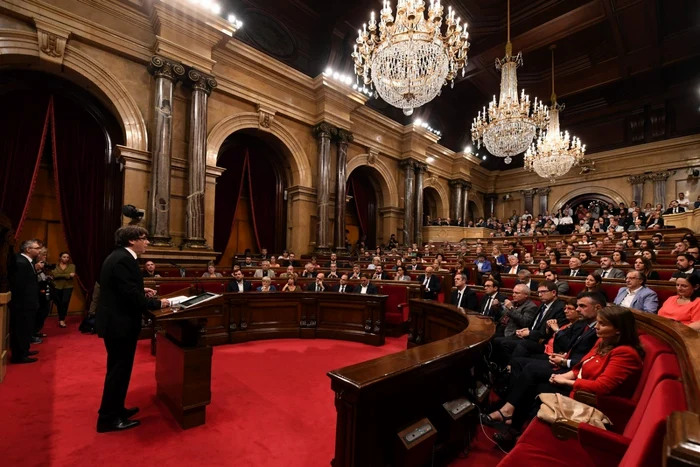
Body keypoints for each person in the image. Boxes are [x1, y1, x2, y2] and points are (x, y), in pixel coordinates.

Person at [482, 305, 644, 433]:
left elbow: (603, 386)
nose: (597, 327)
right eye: (598, 322)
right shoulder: (604, 341)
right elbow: (581, 366)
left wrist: (567, 382)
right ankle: (511, 421)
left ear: (618, 329)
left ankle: (513, 423)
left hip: (588, 397)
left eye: (602, 324)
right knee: (532, 375)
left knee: (536, 384)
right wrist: (566, 376)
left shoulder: (625, 353)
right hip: (578, 381)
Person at [96, 226, 170, 432]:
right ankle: (108, 419)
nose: (147, 242)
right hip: (119, 324)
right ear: (131, 241)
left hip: (117, 323)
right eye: (144, 238)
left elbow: (123, 289)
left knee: (119, 370)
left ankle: (116, 409)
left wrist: (140, 289)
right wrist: (157, 303)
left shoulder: (119, 256)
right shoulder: (123, 259)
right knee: (118, 372)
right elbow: (129, 295)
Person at [9, 239, 42, 363]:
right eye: (37, 248)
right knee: (21, 330)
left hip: (28, 302)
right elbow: (19, 285)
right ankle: (19, 356)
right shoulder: (21, 262)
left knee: (27, 329)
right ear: (28, 249)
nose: (39, 250)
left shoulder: (27, 261)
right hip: (22, 304)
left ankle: (25, 350)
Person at [52, 251, 76, 328]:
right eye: (64, 257)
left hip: (68, 286)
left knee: (65, 302)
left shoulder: (72, 266)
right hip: (57, 286)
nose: (66, 259)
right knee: (58, 303)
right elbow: (55, 275)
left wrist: (60, 275)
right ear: (60, 257)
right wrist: (67, 275)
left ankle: (62, 319)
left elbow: (72, 275)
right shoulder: (55, 266)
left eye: (67, 257)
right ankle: (61, 317)